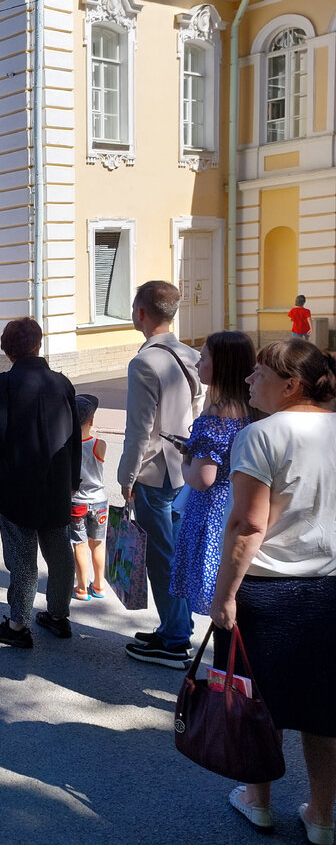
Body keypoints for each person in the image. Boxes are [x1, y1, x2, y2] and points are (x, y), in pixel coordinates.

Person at [210, 340, 336, 839]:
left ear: (291, 385)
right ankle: (322, 817)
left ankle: (258, 801)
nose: (248, 379)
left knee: (256, 704)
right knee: (323, 713)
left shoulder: (260, 435)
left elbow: (247, 524)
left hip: (268, 591)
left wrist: (224, 595)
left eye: (259, 373)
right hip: (328, 591)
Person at [0, 318, 80, 647]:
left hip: (14, 485)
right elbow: (74, 437)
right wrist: (73, 479)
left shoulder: (2, 384)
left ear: (7, 349)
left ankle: (18, 624)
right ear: (38, 344)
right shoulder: (62, 382)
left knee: (21, 556)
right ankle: (58, 615)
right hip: (56, 483)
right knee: (59, 551)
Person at [118, 280, 204, 667]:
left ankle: (174, 639)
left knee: (160, 558)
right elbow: (197, 411)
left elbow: (139, 429)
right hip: (183, 468)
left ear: (140, 313)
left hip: (154, 471)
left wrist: (126, 476)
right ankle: (176, 627)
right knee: (175, 554)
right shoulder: (191, 354)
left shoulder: (144, 362)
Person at [169, 330, 255, 615]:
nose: (198, 364)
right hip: (241, 503)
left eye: (203, 358)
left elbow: (202, 479)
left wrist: (185, 460)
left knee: (217, 605)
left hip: (212, 515)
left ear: (222, 365)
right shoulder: (252, 408)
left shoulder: (216, 416)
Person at [69, 394, 108, 601]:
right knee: (98, 543)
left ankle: (82, 587)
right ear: (91, 421)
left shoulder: (68, 446)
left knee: (79, 544)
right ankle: (99, 585)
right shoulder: (99, 444)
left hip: (77, 502)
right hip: (99, 501)